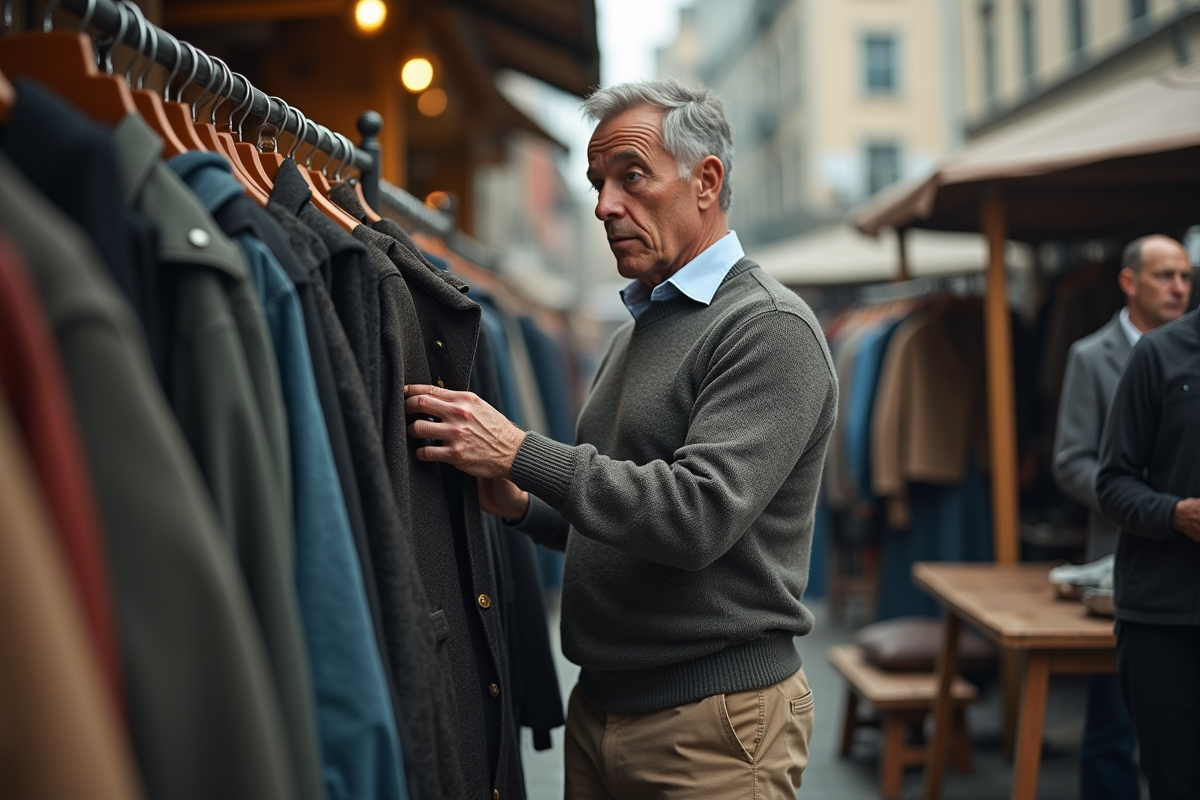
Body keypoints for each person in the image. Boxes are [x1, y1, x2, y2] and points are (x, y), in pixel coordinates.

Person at [403, 80, 836, 798]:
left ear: (707, 181)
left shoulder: (767, 327)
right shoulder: (640, 328)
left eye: (632, 175)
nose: (606, 204)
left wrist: (521, 452)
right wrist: (519, 503)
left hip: (712, 725)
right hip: (604, 708)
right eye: (599, 181)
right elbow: (611, 525)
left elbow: (695, 517)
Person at [1052, 234, 1193, 800]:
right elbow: (1075, 461)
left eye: (1184, 275)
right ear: (1131, 281)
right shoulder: (1096, 354)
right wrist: (1163, 506)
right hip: (1126, 559)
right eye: (1165, 276)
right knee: (1116, 720)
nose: (1178, 287)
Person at [1096, 242, 1199, 800]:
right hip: (1165, 619)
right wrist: (1176, 514)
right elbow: (1109, 483)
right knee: (1175, 783)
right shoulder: (1160, 355)